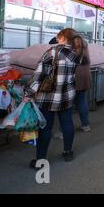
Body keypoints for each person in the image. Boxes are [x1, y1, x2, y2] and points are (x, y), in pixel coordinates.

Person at [24, 28, 84, 166]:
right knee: (67, 124)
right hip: (67, 96)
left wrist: (28, 93)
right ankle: (67, 152)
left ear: (62, 37)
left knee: (45, 127)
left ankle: (40, 160)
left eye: (58, 37)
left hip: (48, 97)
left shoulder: (52, 52)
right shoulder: (77, 54)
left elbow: (39, 75)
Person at [74, 39, 92, 132]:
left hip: (73, 80)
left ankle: (62, 130)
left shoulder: (71, 53)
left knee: (67, 106)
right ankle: (85, 125)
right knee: (82, 102)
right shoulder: (85, 53)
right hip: (84, 79)